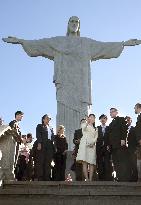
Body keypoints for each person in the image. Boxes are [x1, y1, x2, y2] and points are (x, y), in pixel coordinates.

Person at [108, 108, 130, 181]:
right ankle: (119, 177)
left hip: (120, 144)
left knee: (122, 161)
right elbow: (109, 135)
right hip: (113, 146)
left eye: (112, 112)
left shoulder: (121, 119)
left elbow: (124, 129)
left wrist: (123, 139)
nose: (111, 113)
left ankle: (124, 178)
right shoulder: (111, 123)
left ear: (116, 112)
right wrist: (109, 145)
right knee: (116, 162)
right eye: (110, 112)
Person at [76, 114, 98, 181]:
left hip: (92, 146)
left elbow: (96, 137)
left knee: (91, 163)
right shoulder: (84, 124)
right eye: (90, 117)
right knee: (84, 162)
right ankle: (87, 179)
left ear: (94, 119)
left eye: (93, 117)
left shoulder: (96, 128)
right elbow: (83, 129)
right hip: (84, 145)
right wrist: (87, 123)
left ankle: (90, 179)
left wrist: (92, 143)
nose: (91, 118)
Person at [35, 114, 54, 181]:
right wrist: (39, 143)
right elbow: (38, 135)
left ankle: (47, 177)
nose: (48, 119)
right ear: (43, 119)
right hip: (42, 144)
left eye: (49, 118)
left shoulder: (51, 127)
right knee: (41, 161)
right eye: (47, 118)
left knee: (48, 161)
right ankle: (40, 177)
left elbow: (52, 137)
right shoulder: (40, 126)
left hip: (49, 145)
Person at [96, 114, 112, 181]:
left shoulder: (109, 128)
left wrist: (109, 145)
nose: (103, 119)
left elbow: (111, 138)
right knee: (99, 163)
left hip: (107, 148)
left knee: (107, 162)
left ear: (106, 120)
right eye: (101, 118)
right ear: (100, 120)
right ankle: (101, 178)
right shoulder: (97, 128)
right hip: (99, 148)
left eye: (104, 118)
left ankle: (108, 178)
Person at [125, 116, 138, 182]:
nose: (127, 122)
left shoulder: (134, 129)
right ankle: (128, 178)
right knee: (126, 164)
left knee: (133, 164)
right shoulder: (123, 130)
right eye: (126, 120)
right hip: (124, 150)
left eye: (128, 120)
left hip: (132, 150)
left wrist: (136, 149)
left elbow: (137, 140)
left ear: (131, 121)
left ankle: (135, 179)